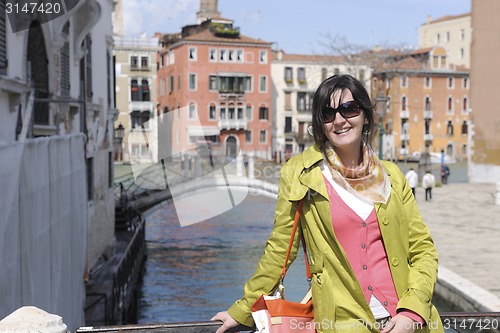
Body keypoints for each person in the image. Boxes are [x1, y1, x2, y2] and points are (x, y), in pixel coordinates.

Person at [212, 75, 443, 333]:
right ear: (320, 123)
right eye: (328, 113)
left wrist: (412, 311)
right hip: (342, 324)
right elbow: (280, 250)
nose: (340, 120)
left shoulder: (392, 176)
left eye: (349, 109)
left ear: (365, 115)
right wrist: (244, 308)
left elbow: (422, 249)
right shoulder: (301, 173)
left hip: (406, 323)